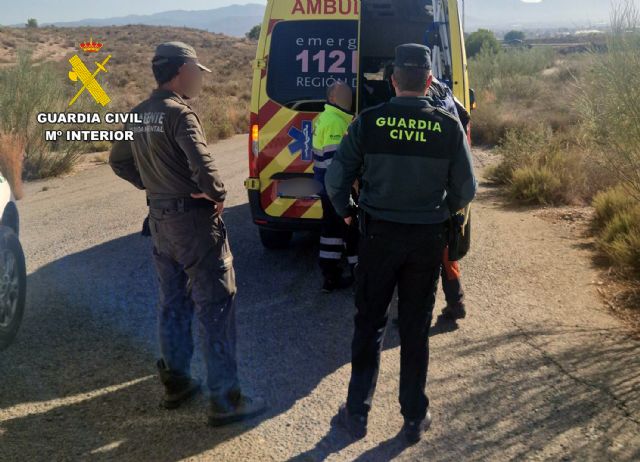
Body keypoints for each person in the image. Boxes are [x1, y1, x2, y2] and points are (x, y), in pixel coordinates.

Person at [325, 43, 477, 444]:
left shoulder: (367, 122)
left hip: (378, 236)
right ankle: (413, 417)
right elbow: (466, 188)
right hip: (427, 239)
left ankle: (356, 415)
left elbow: (336, 179)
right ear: (429, 81)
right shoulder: (447, 126)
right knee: (414, 327)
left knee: (369, 324)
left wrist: (346, 211)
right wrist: (443, 210)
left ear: (392, 80)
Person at [109, 41, 266, 427]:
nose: (200, 78)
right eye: (198, 70)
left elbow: (118, 162)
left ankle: (177, 383)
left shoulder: (140, 114)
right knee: (217, 304)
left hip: (161, 222)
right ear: (181, 70)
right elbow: (205, 169)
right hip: (194, 225)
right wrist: (216, 194)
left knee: (173, 302)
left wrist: (155, 188)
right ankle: (225, 400)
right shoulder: (180, 114)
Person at [312, 81, 358, 293]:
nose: (348, 98)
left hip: (326, 187)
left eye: (349, 94)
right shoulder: (335, 123)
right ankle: (356, 273)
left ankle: (330, 276)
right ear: (331, 98)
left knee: (332, 230)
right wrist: (348, 191)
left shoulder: (330, 118)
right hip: (336, 189)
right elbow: (335, 166)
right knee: (349, 228)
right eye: (342, 94)